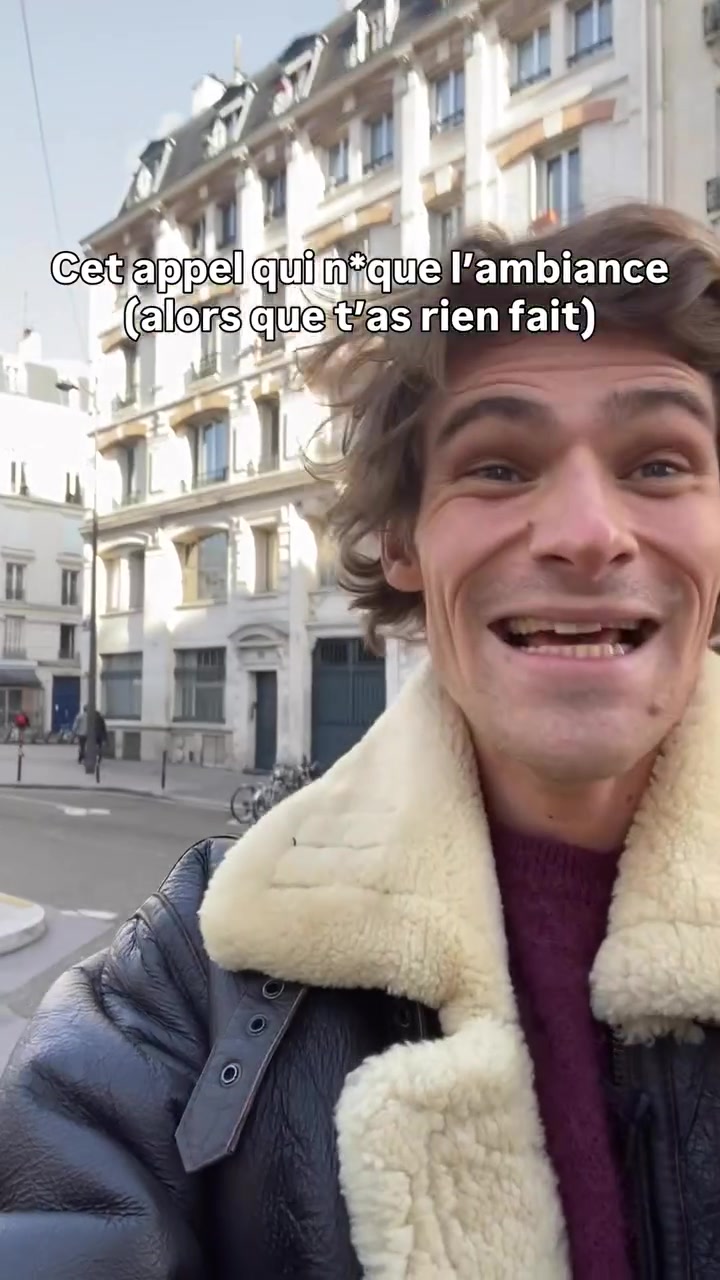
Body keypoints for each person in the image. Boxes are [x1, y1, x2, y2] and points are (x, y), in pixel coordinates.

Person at [2, 202, 720, 1277]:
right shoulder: (201, 966)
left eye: (659, 464)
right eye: (499, 466)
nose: (585, 533)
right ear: (402, 542)